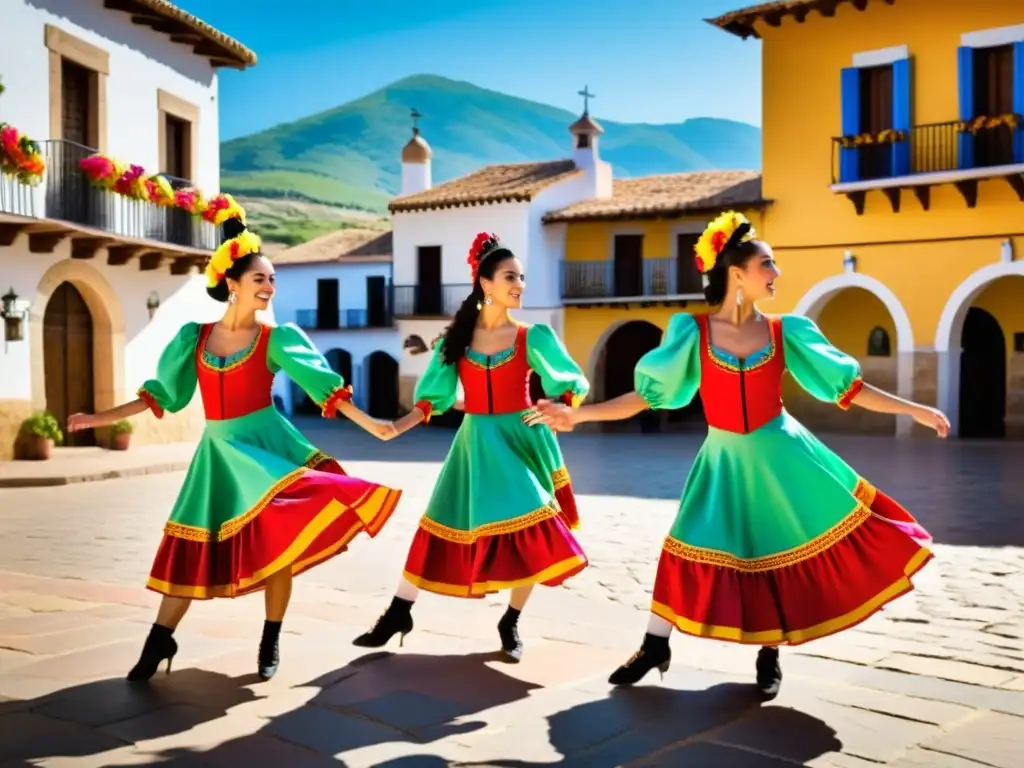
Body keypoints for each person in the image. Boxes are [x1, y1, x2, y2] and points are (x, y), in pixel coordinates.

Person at [535, 211, 948, 699]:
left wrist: (915, 408)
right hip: (723, 460)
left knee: (778, 552)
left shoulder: (786, 331)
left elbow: (849, 388)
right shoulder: (691, 332)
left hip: (784, 457)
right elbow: (647, 395)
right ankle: (654, 645)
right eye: (767, 264)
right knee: (683, 547)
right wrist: (578, 416)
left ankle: (770, 653)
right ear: (736, 273)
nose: (776, 274)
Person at [66, 196, 402, 682]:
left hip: (266, 451)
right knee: (191, 546)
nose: (269, 286)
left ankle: (271, 638)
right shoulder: (194, 337)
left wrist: (374, 425)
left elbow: (322, 385)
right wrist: (98, 417)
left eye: (272, 279)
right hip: (218, 457)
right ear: (232, 284)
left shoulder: (277, 339)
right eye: (260, 278)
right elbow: (161, 395)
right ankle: (159, 640)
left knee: (279, 546)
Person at [351, 232, 589, 661]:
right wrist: (394, 428)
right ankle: (398, 612)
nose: (520, 284)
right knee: (436, 525)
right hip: (474, 444)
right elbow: (433, 397)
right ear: (485, 283)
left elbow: (567, 381)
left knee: (533, 528)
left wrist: (561, 406)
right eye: (510, 276)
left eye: (521, 277)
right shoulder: (454, 342)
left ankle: (511, 620)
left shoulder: (532, 336)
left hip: (523, 440)